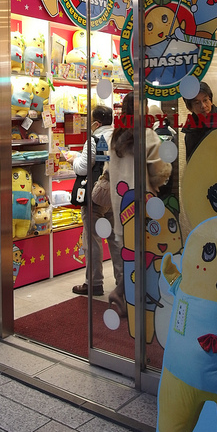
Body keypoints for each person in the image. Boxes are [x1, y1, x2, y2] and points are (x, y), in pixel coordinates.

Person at [108, 93, 172, 316]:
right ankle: (130, 295)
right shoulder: (147, 135)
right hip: (142, 203)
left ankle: (125, 293)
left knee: (131, 253)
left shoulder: (114, 137)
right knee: (146, 253)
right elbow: (159, 171)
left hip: (121, 204)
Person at [69, 105, 122, 298]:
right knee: (116, 240)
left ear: (96, 122)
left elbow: (83, 167)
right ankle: (122, 283)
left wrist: (72, 159)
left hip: (96, 194)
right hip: (115, 193)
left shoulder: (93, 139)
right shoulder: (118, 136)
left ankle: (94, 282)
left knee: (92, 239)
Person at [182, 81, 217, 161]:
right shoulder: (190, 130)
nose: (203, 106)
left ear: (211, 101)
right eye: (197, 103)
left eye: (205, 100)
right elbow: (191, 162)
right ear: (190, 108)